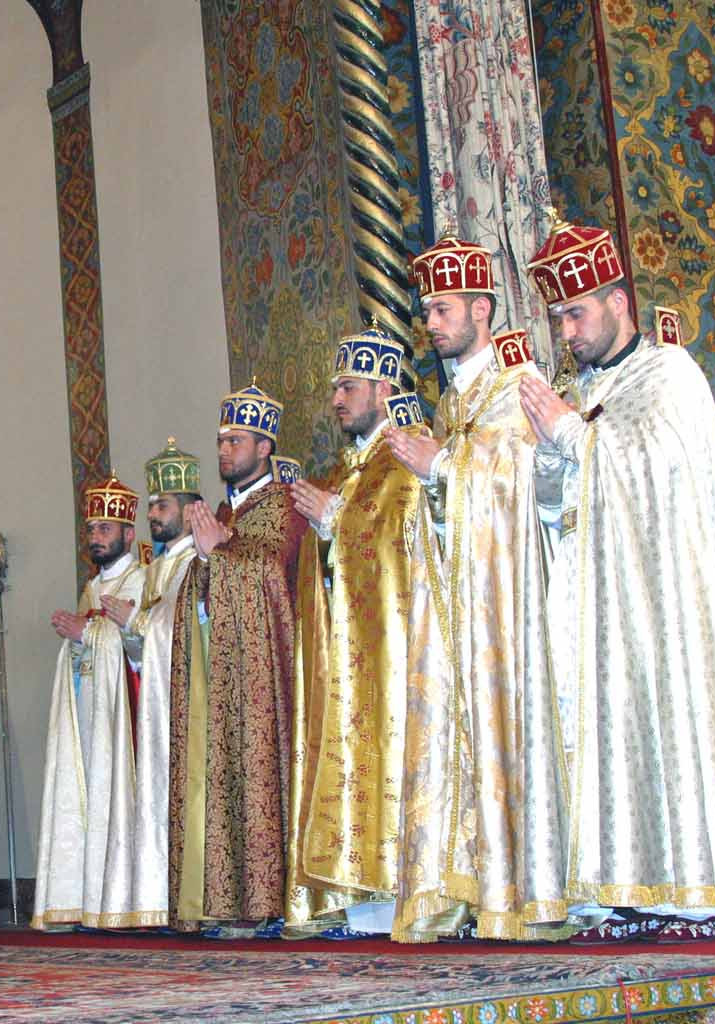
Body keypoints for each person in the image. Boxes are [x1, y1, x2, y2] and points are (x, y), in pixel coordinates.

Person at [521, 216, 715, 941]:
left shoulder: (668, 373)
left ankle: (702, 893)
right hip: (602, 601)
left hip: (670, 600)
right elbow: (559, 506)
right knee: (616, 737)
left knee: (676, 726)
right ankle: (630, 890)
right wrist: (550, 459)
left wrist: (568, 432)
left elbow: (653, 466)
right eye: (559, 320)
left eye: (576, 314)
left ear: (618, 302)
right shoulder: (579, 388)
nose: (566, 332)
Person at [384, 232, 572, 942]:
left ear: (482, 309)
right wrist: (435, 488)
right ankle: (462, 885)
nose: (431, 323)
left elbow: (529, 484)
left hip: (506, 609)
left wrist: (444, 471)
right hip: (455, 605)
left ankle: (519, 887)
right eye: (427, 311)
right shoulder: (449, 405)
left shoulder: (516, 388)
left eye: (443, 309)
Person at [287, 326, 431, 937]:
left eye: (348, 387)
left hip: (394, 649)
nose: (336, 400)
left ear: (383, 389)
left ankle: (396, 890)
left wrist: (336, 521)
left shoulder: (405, 458)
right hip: (347, 649)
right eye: (336, 388)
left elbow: (401, 546)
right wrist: (332, 525)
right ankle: (352, 889)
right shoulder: (347, 470)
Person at [169, 383, 308, 937]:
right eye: (221, 441)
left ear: (265, 447)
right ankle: (222, 900)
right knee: (218, 780)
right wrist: (209, 560)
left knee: (258, 777)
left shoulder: (285, 507)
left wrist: (221, 554)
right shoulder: (226, 510)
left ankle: (265, 902)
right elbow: (203, 582)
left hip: (265, 677)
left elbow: (276, 577)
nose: (225, 451)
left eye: (236, 441)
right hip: (222, 671)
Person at [32, 477, 146, 929]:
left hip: (124, 722)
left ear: (128, 534)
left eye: (105, 529)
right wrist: (79, 642)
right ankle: (89, 900)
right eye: (92, 529)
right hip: (88, 716)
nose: (95, 537)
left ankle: (123, 901)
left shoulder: (142, 580)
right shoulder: (91, 588)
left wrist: (88, 633)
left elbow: (146, 650)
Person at [97, 439, 201, 928]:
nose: (153, 514)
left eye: (163, 505)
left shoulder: (194, 562)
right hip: (156, 703)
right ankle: (157, 896)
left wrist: (134, 623)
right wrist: (132, 631)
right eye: (152, 506)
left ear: (190, 509)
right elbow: (149, 644)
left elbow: (181, 632)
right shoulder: (158, 567)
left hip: (185, 703)